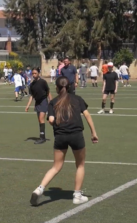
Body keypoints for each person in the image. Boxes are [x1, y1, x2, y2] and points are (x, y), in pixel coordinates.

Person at [30, 76, 98, 206]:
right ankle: (77, 195)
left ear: (56, 88)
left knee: (56, 167)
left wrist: (59, 125)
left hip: (60, 136)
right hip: (76, 135)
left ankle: (39, 189)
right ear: (70, 86)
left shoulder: (53, 102)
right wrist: (93, 133)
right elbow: (87, 115)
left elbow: (50, 120)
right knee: (80, 165)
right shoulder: (77, 99)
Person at [25, 67, 52, 144]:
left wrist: (51, 102)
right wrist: (28, 106)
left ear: (38, 73)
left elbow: (48, 92)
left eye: (35, 73)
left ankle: (42, 138)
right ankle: (42, 136)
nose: (33, 75)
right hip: (37, 103)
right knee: (40, 120)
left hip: (43, 101)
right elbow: (32, 96)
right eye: (32, 73)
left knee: (41, 119)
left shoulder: (43, 82)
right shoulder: (32, 84)